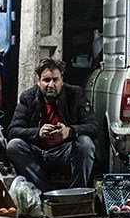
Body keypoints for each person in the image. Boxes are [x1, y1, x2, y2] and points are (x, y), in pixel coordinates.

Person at [6, 58, 100, 192]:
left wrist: (70, 131)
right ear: (39, 82)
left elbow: (94, 126)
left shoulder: (74, 94)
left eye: (55, 80)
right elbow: (13, 131)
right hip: (39, 154)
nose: (51, 85)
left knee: (85, 143)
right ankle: (45, 192)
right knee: (14, 145)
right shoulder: (28, 98)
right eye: (46, 80)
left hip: (65, 153)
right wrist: (38, 133)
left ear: (62, 81)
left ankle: (77, 193)